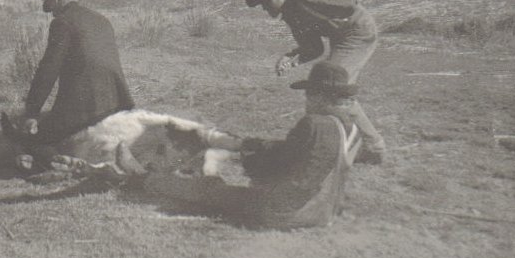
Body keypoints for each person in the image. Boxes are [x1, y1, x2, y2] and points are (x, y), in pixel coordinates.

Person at [139, 61, 362, 229]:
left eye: (309, 94)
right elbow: (304, 156)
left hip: (287, 212)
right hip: (325, 212)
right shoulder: (352, 130)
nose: (306, 100)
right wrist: (252, 145)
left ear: (319, 96)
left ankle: (142, 177)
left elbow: (288, 168)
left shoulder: (314, 124)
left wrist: (253, 164)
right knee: (223, 180)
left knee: (212, 192)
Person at [244, 0, 385, 163]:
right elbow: (314, 49)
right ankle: (335, 142)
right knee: (327, 90)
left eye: (266, 1)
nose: (265, 8)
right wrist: (290, 60)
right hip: (342, 37)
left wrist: (335, 18)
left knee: (331, 89)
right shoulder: (291, 14)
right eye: (261, 4)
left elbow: (349, 5)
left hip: (357, 32)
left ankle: (370, 146)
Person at [10, 0, 135, 169]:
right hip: (118, 109)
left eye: (48, 3)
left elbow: (48, 70)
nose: (50, 11)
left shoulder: (62, 22)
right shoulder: (102, 20)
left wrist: (31, 112)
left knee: (31, 139)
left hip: (84, 114)